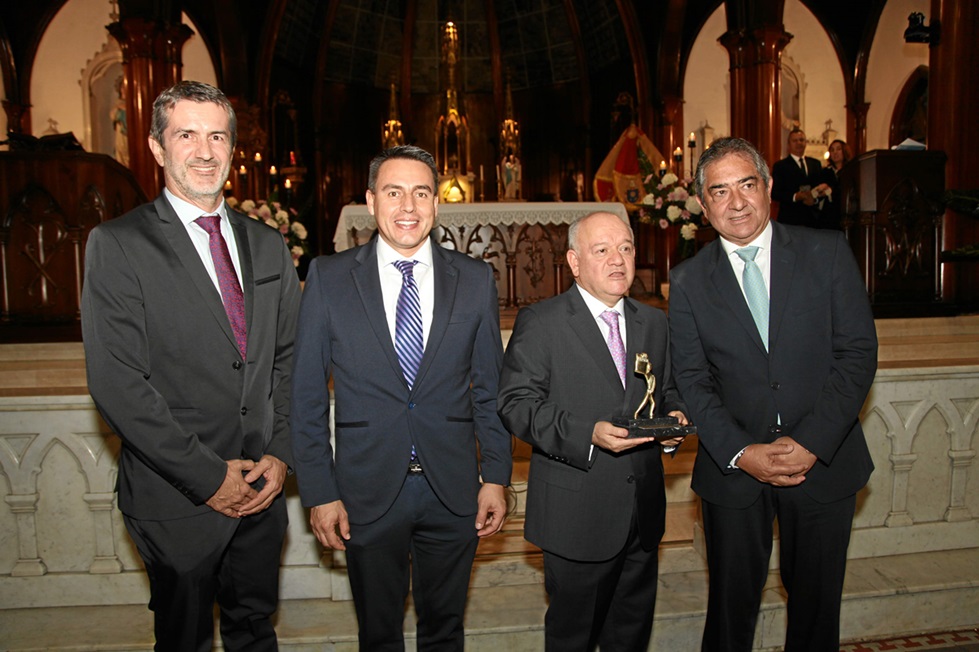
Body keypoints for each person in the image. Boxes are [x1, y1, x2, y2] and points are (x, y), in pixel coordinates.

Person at [81, 81, 301, 651]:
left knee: (255, 632)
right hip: (176, 498)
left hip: (260, 493)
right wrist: (208, 478)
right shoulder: (119, 244)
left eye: (217, 136)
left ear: (232, 148)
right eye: (187, 135)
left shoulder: (268, 244)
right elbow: (119, 384)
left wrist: (280, 454)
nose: (205, 151)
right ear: (157, 148)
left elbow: (288, 361)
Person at [290, 145, 512, 650]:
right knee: (379, 633)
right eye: (394, 192)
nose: (408, 206)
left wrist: (496, 477)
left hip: (453, 490)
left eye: (420, 192)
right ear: (371, 201)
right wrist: (321, 492)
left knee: (444, 630)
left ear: (436, 204)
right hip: (365, 492)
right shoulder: (327, 278)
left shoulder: (474, 280)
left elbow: (489, 391)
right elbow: (304, 397)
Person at [668, 137, 878, 651]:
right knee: (730, 611)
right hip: (733, 471)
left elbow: (857, 355)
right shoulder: (689, 281)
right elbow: (692, 380)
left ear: (767, 188)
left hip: (823, 462)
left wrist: (811, 441)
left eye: (746, 185)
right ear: (703, 204)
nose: (736, 202)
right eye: (720, 191)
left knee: (816, 607)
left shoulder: (825, 252)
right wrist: (742, 453)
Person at [498, 211, 689, 651]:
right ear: (575, 261)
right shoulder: (542, 322)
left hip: (642, 514)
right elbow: (515, 405)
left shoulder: (654, 322)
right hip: (576, 517)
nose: (617, 259)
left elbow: (669, 390)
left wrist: (675, 419)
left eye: (625, 248)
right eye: (601, 250)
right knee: (574, 639)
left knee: (630, 638)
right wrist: (587, 433)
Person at [771, 128, 831, 228]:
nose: (799, 143)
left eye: (801, 140)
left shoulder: (815, 164)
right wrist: (795, 196)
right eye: (795, 140)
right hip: (790, 219)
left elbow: (821, 188)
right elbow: (775, 193)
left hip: (813, 220)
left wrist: (815, 200)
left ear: (805, 143)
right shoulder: (780, 166)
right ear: (789, 144)